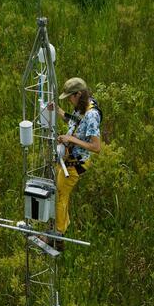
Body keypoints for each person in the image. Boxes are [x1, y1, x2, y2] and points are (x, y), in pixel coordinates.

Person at [53, 77, 102, 237]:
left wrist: (71, 139)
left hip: (76, 164)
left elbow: (96, 147)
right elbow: (75, 122)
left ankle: (58, 234)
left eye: (70, 98)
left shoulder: (92, 115)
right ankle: (62, 223)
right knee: (58, 191)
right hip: (67, 159)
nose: (69, 101)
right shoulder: (82, 107)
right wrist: (58, 111)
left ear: (78, 94)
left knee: (61, 194)